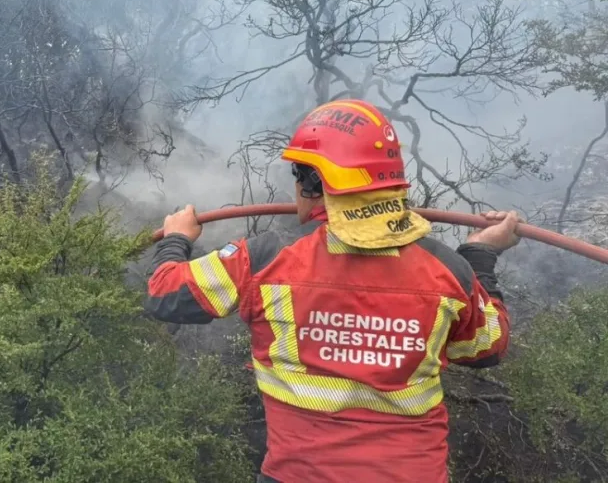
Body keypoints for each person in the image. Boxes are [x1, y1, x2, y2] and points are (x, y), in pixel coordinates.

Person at [144, 99, 521, 483]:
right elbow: (486, 348)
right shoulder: (447, 269)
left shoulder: (264, 259)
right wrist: (480, 255)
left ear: (313, 182)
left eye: (298, 173)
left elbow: (165, 293)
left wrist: (176, 238)